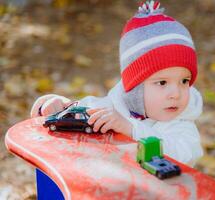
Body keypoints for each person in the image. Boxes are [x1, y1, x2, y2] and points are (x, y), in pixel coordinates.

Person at [30, 1, 203, 167]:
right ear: (135, 89)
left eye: (184, 81)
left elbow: (182, 156)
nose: (176, 93)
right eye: (162, 82)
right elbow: (80, 113)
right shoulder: (112, 108)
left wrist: (130, 128)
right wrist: (56, 105)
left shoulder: (182, 127)